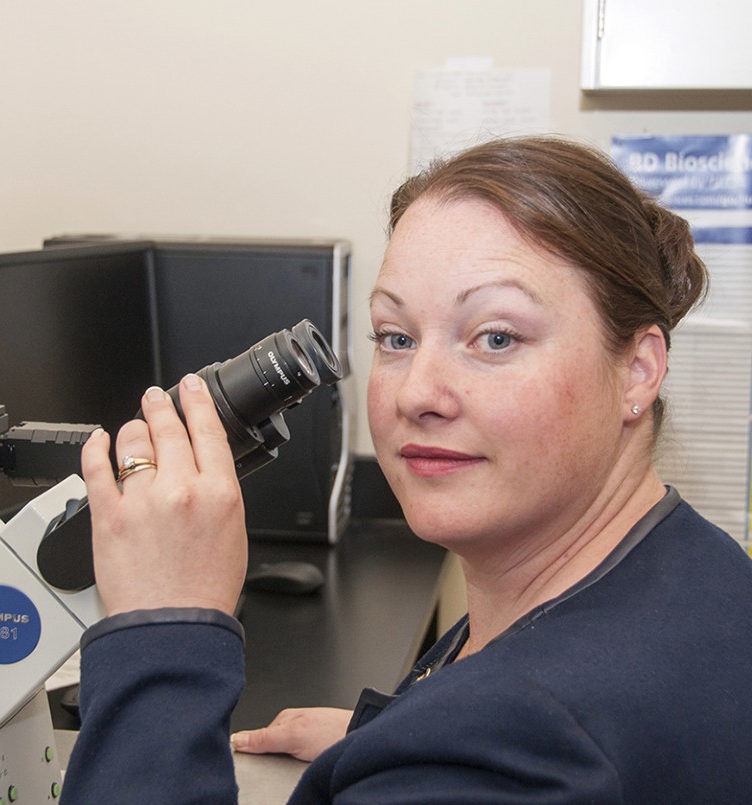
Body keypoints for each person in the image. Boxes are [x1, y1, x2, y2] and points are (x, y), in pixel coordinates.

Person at [60, 136, 752, 804]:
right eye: (396, 337)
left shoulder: (520, 738)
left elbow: (524, 732)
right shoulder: (700, 574)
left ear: (637, 370)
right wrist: (392, 742)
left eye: (495, 337)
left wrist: (165, 625)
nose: (416, 391)